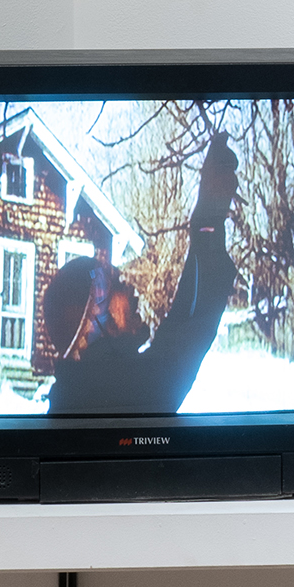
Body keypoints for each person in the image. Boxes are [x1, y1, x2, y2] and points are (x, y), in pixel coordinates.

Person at [42, 136, 243, 416]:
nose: (130, 290)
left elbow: (178, 333)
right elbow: (182, 340)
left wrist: (208, 216)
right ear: (93, 325)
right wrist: (208, 217)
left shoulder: (81, 394)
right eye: (116, 288)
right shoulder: (120, 395)